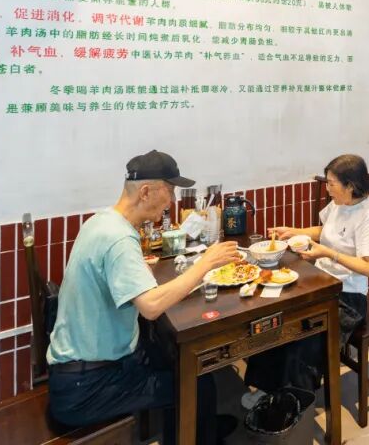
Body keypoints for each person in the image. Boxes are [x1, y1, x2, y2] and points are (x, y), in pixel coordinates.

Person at [47, 150, 243, 443]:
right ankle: (200, 434)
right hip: (87, 387)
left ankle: (201, 428)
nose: (172, 201)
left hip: (81, 370)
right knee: (197, 382)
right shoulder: (118, 238)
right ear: (146, 192)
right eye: (170, 191)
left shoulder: (103, 221)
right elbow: (150, 307)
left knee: (173, 355)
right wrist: (205, 264)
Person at [242, 154, 369, 406]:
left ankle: (290, 403)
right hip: (321, 283)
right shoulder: (339, 203)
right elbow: (325, 231)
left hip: (348, 297)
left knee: (304, 337)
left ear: (350, 186)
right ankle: (267, 389)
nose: (327, 188)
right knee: (277, 317)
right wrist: (294, 232)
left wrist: (328, 253)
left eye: (331, 183)